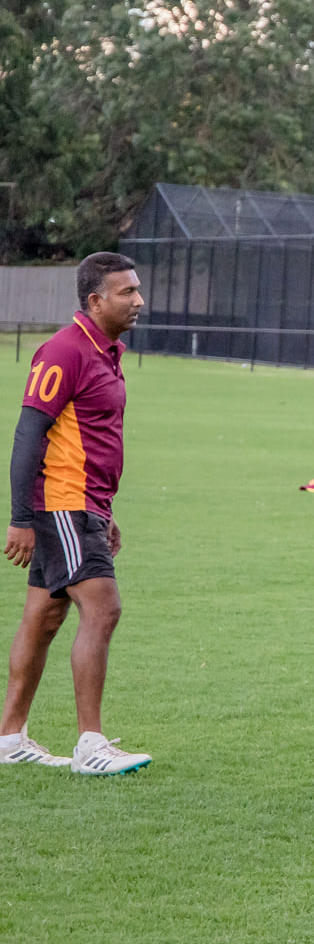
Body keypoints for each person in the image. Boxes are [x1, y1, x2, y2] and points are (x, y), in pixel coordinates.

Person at [0, 253, 150, 775]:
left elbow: (90, 439)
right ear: (94, 300)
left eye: (137, 290)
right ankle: (91, 745)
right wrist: (21, 517)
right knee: (103, 608)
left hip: (83, 504)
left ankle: (9, 738)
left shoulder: (106, 352)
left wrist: (103, 511)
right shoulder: (65, 351)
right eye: (126, 292)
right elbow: (28, 435)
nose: (138, 300)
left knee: (43, 618)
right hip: (62, 503)